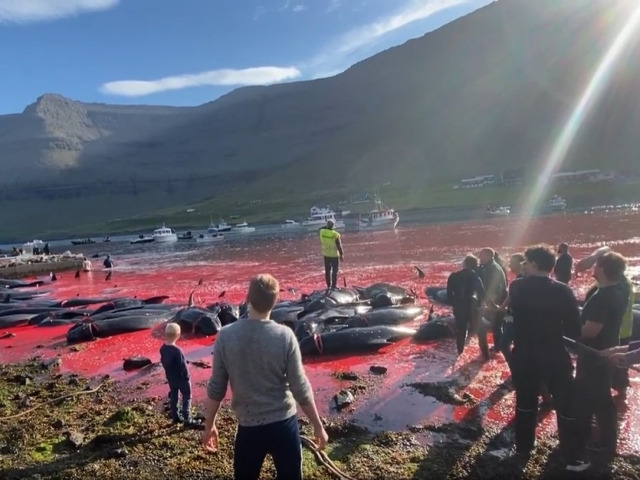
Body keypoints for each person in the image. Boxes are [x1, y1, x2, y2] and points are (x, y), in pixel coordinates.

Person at [202, 274, 328, 480]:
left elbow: (217, 387)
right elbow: (300, 387)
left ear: (247, 298)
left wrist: (209, 426)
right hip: (284, 425)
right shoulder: (285, 336)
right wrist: (318, 426)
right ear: (276, 301)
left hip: (249, 427)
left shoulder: (226, 336)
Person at [508, 245, 585, 470]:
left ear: (533, 264)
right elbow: (573, 327)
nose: (523, 266)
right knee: (565, 404)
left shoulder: (517, 286)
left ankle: (523, 449)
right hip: (553, 353)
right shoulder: (562, 291)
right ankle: (572, 455)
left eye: (526, 262)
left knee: (525, 403)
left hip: (524, 353)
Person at [573, 252, 629, 464]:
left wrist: (569, 325)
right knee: (593, 394)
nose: (592, 268)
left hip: (595, 353)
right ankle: (591, 434)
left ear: (604, 270)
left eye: (596, 265)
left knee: (599, 397)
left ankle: (606, 442)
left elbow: (590, 331)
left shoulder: (601, 297)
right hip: (609, 347)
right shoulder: (621, 288)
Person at [446, 254, 488, 360]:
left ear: (464, 264)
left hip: (459, 307)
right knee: (481, 331)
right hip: (473, 307)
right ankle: (485, 355)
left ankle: (459, 353)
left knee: (461, 331)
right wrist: (481, 305)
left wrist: (454, 304)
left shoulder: (453, 276)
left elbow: (449, 294)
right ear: (475, 266)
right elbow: (482, 293)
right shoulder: (476, 277)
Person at [160, 323, 198, 427]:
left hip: (171, 378)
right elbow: (183, 366)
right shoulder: (177, 351)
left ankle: (175, 416)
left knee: (174, 396)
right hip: (181, 379)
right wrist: (187, 377)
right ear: (178, 335)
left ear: (165, 334)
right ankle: (187, 418)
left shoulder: (163, 348)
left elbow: (162, 361)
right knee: (187, 396)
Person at [497, 253, 525, 389]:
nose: (509, 264)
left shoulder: (522, 280)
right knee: (509, 345)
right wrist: (502, 307)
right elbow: (510, 297)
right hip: (511, 317)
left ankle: (517, 373)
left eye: (512, 262)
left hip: (516, 319)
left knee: (505, 344)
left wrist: (502, 307)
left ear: (521, 263)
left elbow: (512, 297)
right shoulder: (517, 280)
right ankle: (516, 372)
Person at [477, 247, 507, 352]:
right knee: (496, 325)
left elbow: (495, 287)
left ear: (488, 255)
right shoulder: (489, 266)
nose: (479, 257)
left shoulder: (493, 268)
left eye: (481, 254)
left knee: (496, 325)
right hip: (495, 300)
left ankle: (500, 346)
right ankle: (499, 345)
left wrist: (491, 303)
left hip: (496, 301)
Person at [319, 220, 344, 290]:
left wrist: (327, 226)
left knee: (327, 271)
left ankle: (328, 285)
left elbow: (320, 228)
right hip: (334, 255)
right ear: (333, 226)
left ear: (327, 225)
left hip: (326, 254)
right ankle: (334, 286)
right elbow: (339, 246)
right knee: (335, 271)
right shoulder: (335, 234)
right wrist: (342, 255)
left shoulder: (322, 232)